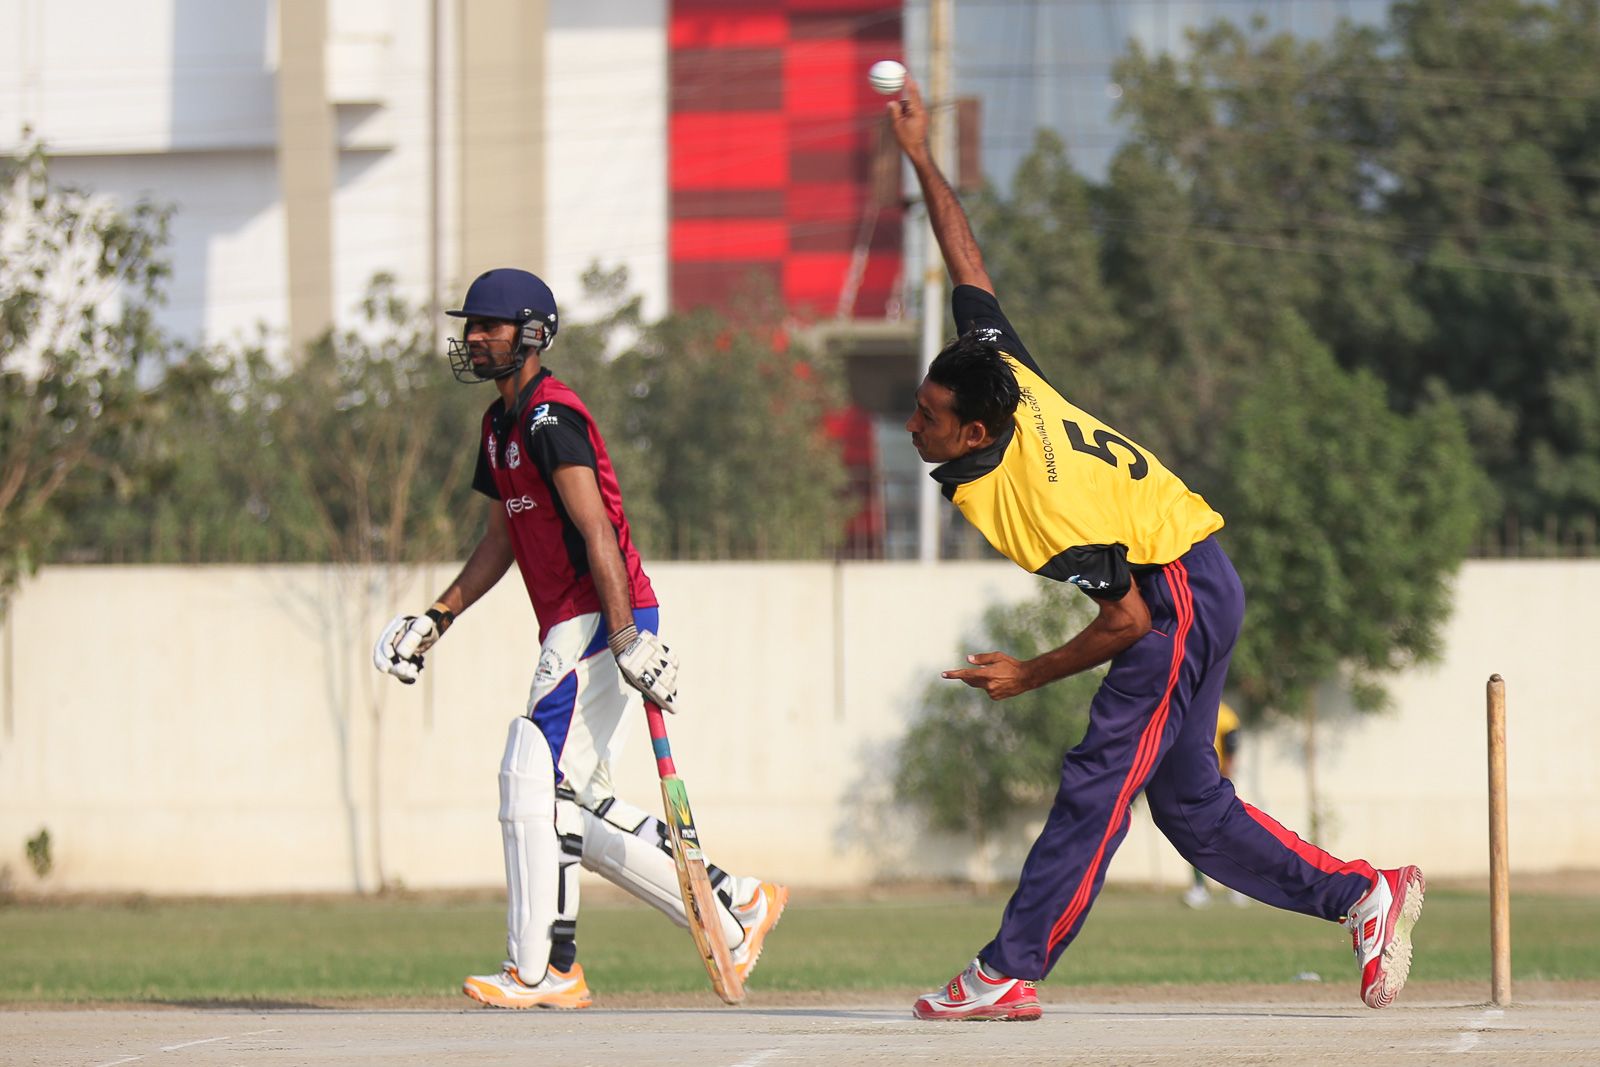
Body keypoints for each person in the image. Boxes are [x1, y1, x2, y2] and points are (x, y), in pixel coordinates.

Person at [885, 77, 1424, 1022]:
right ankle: (1363, 896)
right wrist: (923, 157)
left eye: (928, 417)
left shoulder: (1034, 502)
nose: (911, 423)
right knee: (1191, 807)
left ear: (972, 432)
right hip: (1200, 568)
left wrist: (1026, 674)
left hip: (1173, 594)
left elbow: (1127, 619)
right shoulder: (1000, 370)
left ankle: (1009, 968)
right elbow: (966, 258)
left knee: (1096, 782)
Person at [372, 268, 787, 1009]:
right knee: (575, 807)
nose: (473, 338)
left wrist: (625, 637)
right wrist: (436, 617)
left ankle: (543, 969)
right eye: (470, 326)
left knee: (530, 771)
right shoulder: (498, 426)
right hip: (580, 619)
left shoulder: (549, 418)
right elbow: (501, 538)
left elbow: (597, 528)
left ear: (532, 334)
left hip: (599, 613)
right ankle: (733, 907)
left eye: (488, 326)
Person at [1181, 702, 1249, 909]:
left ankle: (1238, 886)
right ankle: (1200, 888)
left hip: (1215, 781)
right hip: (1195, 780)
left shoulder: (1225, 715)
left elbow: (1230, 751)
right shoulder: (1189, 708)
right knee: (1191, 834)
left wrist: (1224, 781)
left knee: (1226, 833)